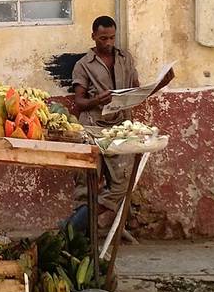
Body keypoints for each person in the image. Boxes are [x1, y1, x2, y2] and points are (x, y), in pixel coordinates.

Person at [69, 15, 172, 230]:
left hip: (120, 130)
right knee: (86, 185)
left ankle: (80, 224)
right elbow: (78, 101)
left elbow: (137, 92)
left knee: (121, 184)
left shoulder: (125, 59)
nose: (108, 43)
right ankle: (79, 233)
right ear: (94, 37)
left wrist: (162, 83)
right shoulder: (83, 65)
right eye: (103, 38)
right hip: (92, 129)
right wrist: (96, 100)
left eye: (112, 38)